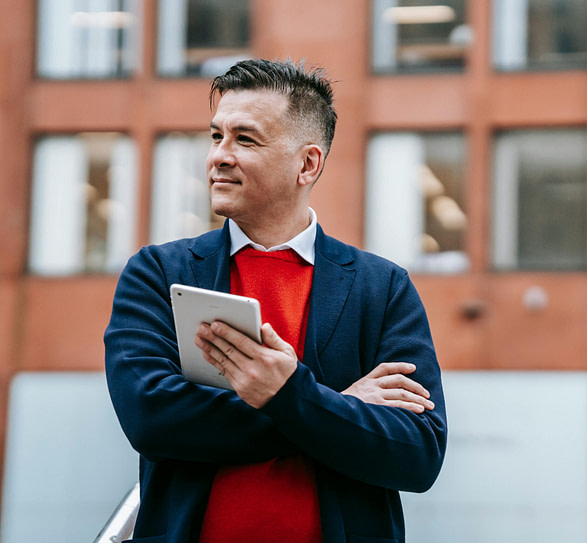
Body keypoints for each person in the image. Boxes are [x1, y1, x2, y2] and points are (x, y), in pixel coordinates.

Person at [104, 58, 446, 543]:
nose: (219, 155)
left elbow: (418, 455)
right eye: (216, 136)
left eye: (245, 139)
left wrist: (291, 396)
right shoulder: (160, 273)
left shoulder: (382, 288)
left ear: (308, 163)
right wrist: (329, 405)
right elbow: (153, 419)